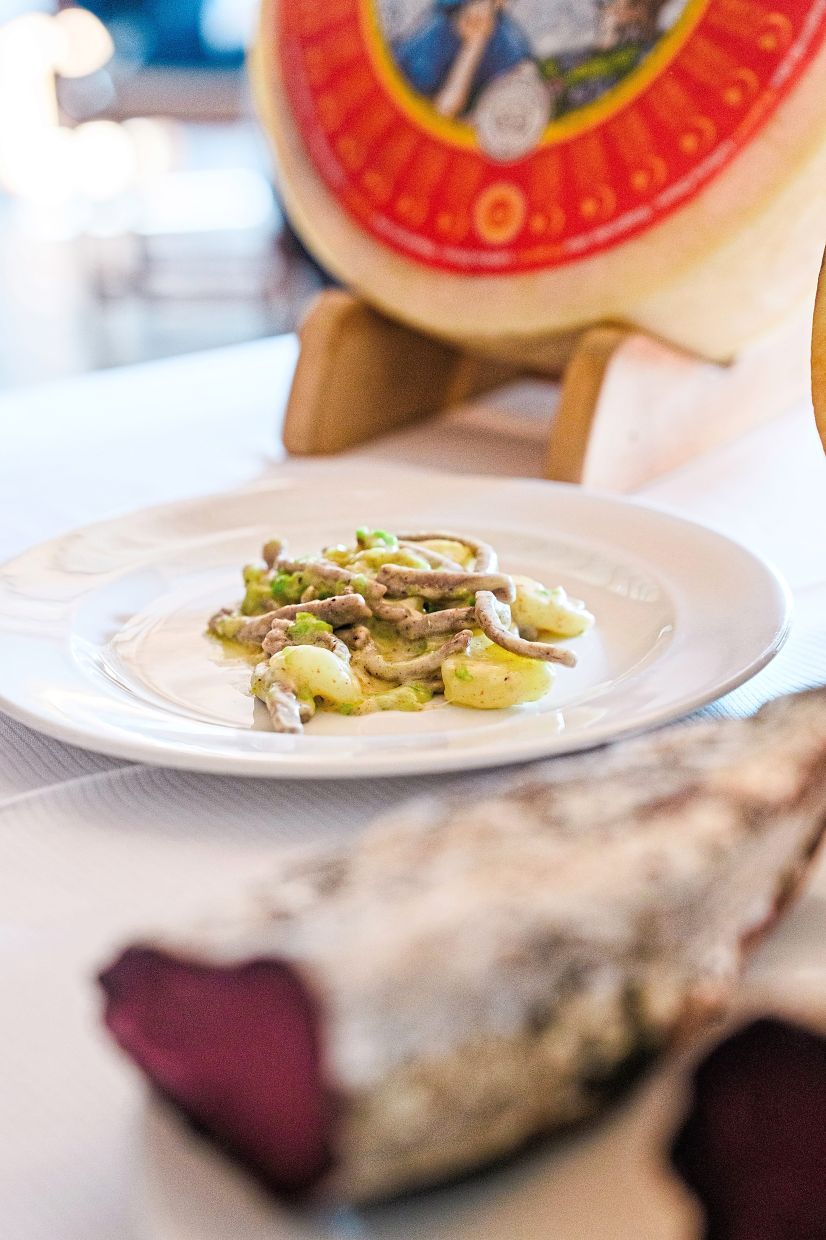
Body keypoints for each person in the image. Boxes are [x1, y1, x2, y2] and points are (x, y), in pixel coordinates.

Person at [393, 0, 534, 118]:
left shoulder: (508, 44)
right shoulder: (434, 34)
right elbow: (441, 112)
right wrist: (473, 46)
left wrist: (475, 44)